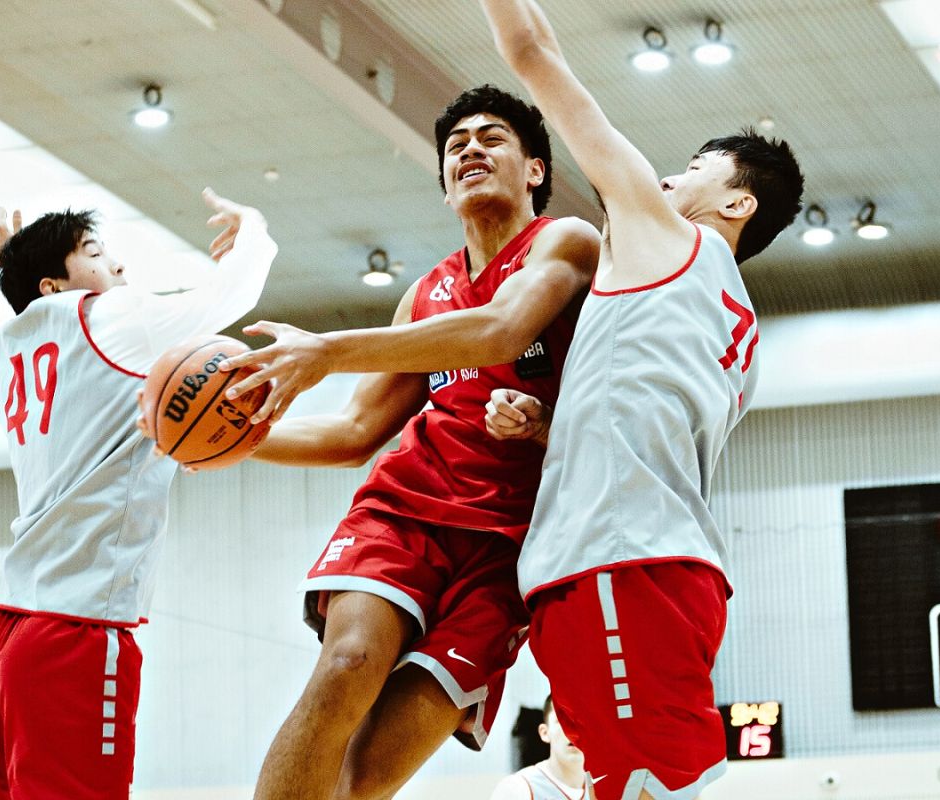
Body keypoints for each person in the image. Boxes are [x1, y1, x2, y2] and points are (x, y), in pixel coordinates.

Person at [207, 86, 600, 800]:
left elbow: (503, 330)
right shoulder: (423, 295)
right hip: (406, 514)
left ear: (535, 169)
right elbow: (354, 432)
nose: (470, 150)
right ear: (447, 188)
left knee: (367, 777)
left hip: (512, 545)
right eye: (456, 147)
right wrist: (232, 438)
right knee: (348, 664)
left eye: (491, 139)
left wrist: (327, 350)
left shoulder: (565, 243)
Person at [477, 3, 805, 800]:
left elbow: (533, 52)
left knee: (651, 789)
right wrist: (553, 428)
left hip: (623, 564)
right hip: (638, 565)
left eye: (697, 166)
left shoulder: (668, 238)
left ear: (737, 204)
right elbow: (646, 423)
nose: (668, 175)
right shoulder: (736, 325)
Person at [0, 189, 276, 800]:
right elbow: (231, 295)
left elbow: (3, 308)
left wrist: (3, 266)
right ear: (56, 286)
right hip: (74, 630)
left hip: (8, 631)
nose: (120, 269)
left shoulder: (1, 350)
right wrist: (255, 228)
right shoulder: (109, 318)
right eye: (97, 253)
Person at [491, 695, 592, 800]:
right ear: (544, 732)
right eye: (564, 721)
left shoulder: (604, 788)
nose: (574, 732)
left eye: (582, 721)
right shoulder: (516, 788)